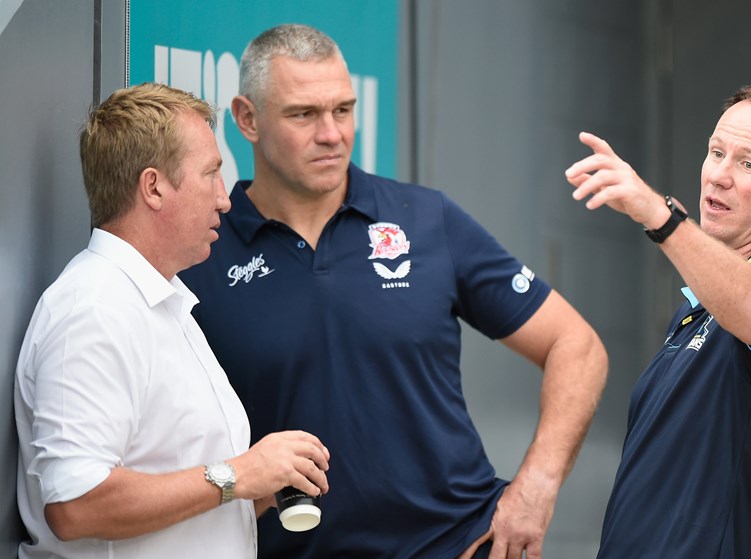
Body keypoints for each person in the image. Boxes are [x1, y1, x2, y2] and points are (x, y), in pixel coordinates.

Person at [178, 23, 608, 559]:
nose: (332, 133)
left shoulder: (426, 220)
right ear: (247, 119)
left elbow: (577, 345)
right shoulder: (201, 252)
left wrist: (535, 492)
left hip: (456, 543)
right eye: (303, 114)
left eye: (343, 109)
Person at [14, 82, 330, 559]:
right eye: (211, 174)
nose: (224, 199)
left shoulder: (160, 301)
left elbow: (188, 490)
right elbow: (75, 504)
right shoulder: (93, 308)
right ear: (154, 187)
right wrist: (238, 474)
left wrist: (263, 482)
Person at [565, 83, 751, 557]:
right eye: (716, 153)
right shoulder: (702, 308)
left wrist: (662, 219)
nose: (719, 176)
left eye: (747, 163)